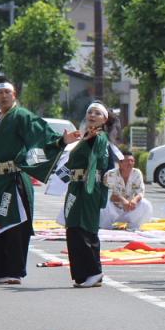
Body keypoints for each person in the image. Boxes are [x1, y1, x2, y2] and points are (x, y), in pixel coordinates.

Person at [0, 80, 78, 285]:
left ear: (14, 94)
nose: (3, 96)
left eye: (7, 92)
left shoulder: (21, 116)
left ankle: (14, 271)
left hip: (14, 178)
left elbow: (40, 136)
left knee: (15, 226)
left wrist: (60, 142)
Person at [62, 102, 116, 288]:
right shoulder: (86, 136)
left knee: (85, 229)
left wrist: (90, 188)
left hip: (88, 187)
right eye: (90, 112)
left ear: (104, 119)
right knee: (74, 230)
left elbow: (97, 162)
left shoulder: (99, 138)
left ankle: (94, 271)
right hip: (76, 186)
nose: (92, 115)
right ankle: (82, 274)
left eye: (97, 113)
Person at [101, 151, 154, 230]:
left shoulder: (137, 173)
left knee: (146, 204)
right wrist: (122, 200)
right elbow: (109, 195)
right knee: (102, 203)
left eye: (132, 161)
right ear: (120, 163)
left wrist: (134, 201)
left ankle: (134, 226)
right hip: (114, 209)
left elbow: (140, 192)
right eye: (126, 161)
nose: (129, 163)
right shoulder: (111, 174)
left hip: (130, 208)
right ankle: (107, 226)